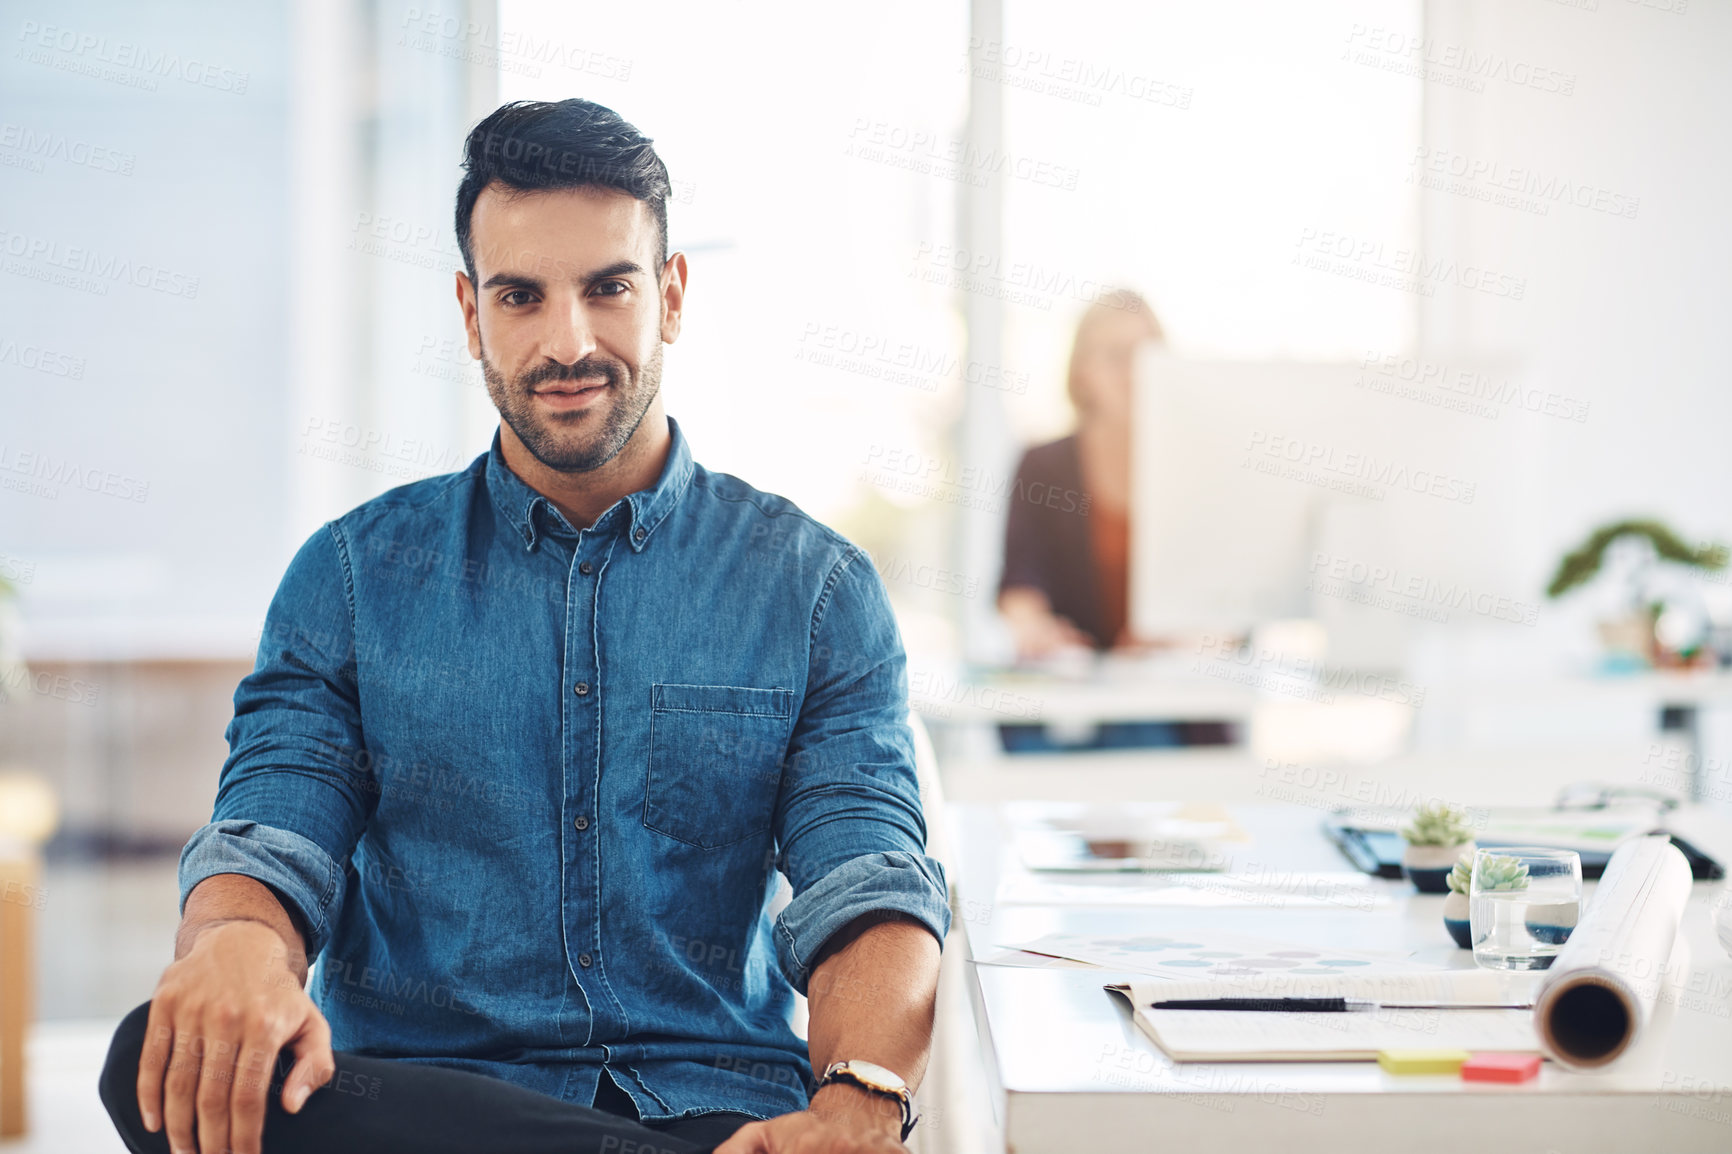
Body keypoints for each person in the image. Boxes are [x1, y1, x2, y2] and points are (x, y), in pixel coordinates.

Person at [99, 98, 947, 1154]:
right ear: (470, 314)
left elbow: (865, 877)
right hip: (420, 1108)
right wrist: (233, 944)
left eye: (608, 287)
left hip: (710, 1106)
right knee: (153, 1051)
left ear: (671, 294)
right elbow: (272, 827)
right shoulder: (353, 577)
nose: (568, 341)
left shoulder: (814, 589)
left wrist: (859, 1100)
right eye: (520, 295)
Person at [998, 290, 1163, 659]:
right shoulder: (1042, 465)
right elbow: (1021, 580)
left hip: (1175, 691)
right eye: (1117, 356)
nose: (1134, 370)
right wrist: (1036, 629)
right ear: (1082, 370)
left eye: (1147, 354)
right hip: (1075, 689)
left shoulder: (1194, 469)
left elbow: (1234, 601)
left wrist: (1196, 639)